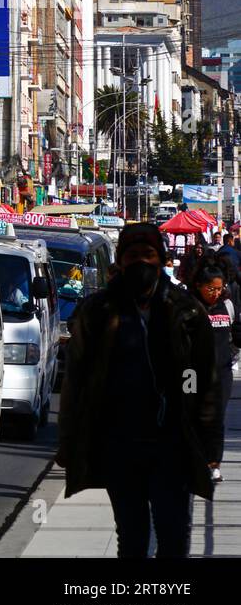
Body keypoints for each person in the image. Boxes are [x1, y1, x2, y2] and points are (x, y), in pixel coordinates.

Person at [58, 222, 218, 558]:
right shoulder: (97, 312)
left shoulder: (187, 312)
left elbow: (200, 377)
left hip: (171, 444)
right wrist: (69, 441)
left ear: (161, 260)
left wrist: (208, 440)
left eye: (148, 255)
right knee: (132, 537)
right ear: (120, 261)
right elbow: (77, 382)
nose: (141, 262)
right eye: (133, 256)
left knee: (174, 536)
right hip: (119, 444)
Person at [190, 264, 241, 484]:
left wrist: (232, 352)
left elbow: (236, 334)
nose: (216, 293)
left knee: (216, 418)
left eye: (219, 289)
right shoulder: (188, 306)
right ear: (199, 286)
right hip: (190, 372)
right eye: (211, 289)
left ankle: (214, 464)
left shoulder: (227, 306)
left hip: (221, 372)